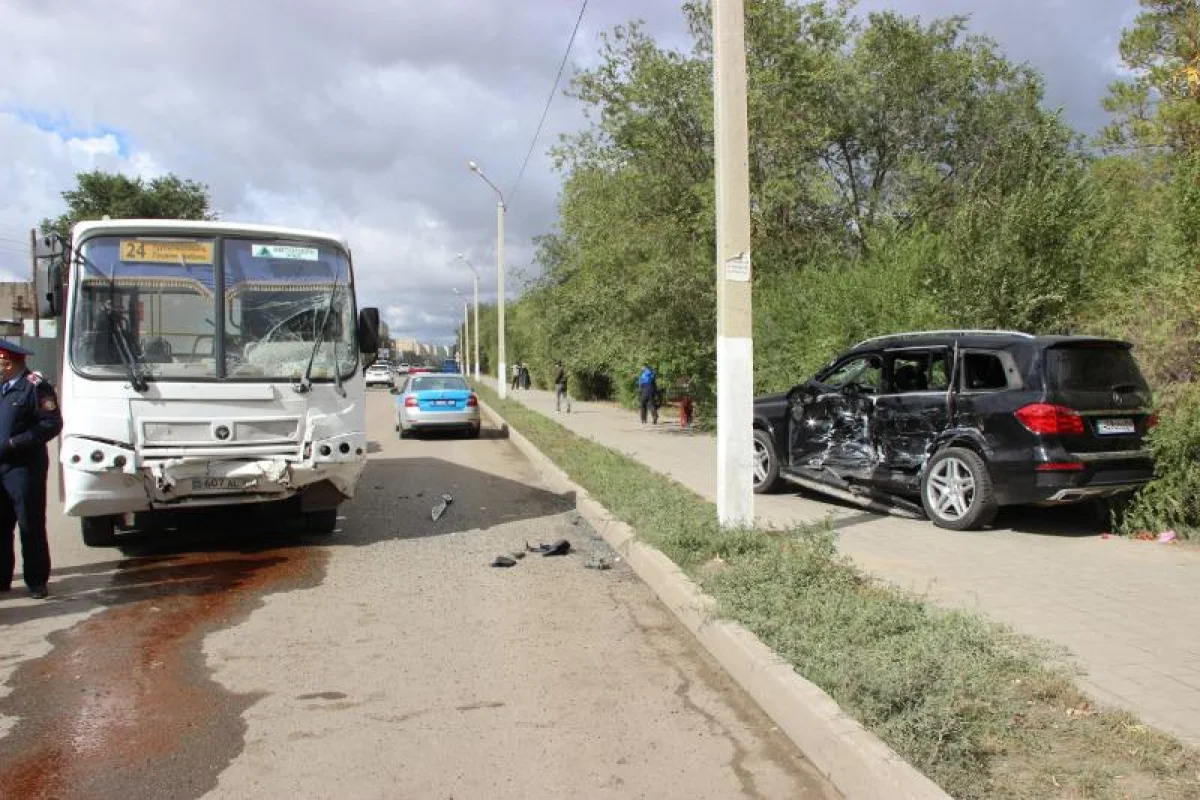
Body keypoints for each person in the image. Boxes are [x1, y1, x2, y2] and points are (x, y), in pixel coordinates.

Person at [0, 340, 63, 599]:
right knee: (1, 527)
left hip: (24, 468)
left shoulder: (36, 387)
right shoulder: (2, 387)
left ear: (9, 362)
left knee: (30, 525)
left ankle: (36, 581)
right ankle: (2, 579)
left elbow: (51, 424)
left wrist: (16, 442)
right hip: (0, 469)